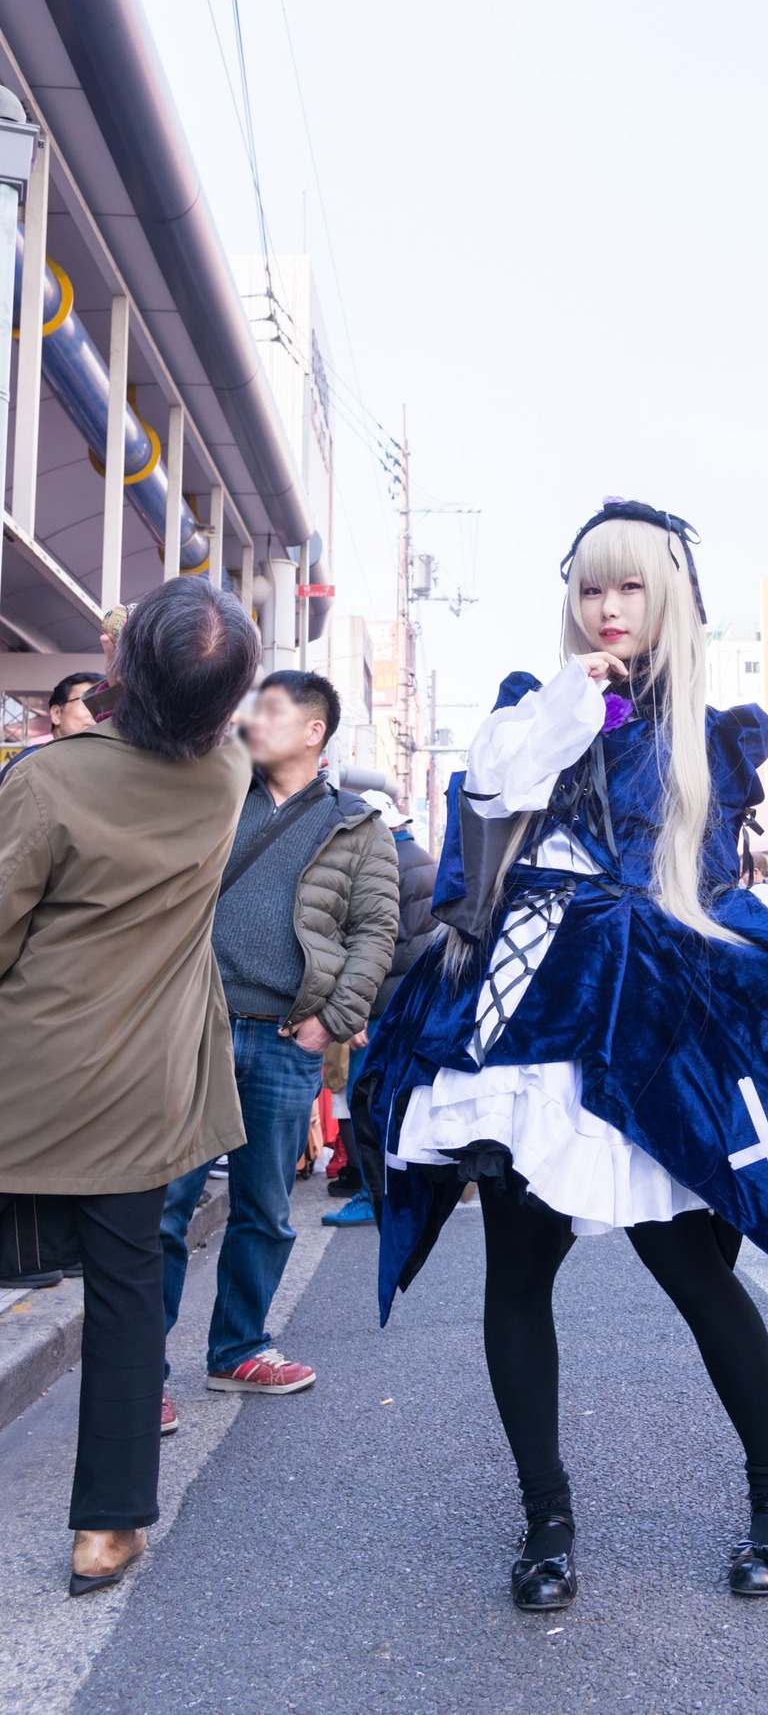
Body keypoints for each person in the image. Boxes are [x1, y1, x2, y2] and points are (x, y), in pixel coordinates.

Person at [355, 499, 768, 1613]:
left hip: (642, 1014)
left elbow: (698, 889)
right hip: (526, 1020)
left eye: (628, 588)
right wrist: (572, 707)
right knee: (517, 1272)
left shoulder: (705, 737)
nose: (606, 609)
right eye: (588, 590)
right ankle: (547, 1521)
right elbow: (487, 821)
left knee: (689, 1268)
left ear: (668, 599)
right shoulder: (532, 708)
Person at [0, 578, 259, 1594]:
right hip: (144, 1087)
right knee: (122, 1304)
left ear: (118, 672)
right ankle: (106, 1530)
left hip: (26, 1072)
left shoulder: (48, 779)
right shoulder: (228, 774)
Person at [159, 671, 398, 1420]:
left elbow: (374, 933)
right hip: (191, 1030)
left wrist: (332, 1019)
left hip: (285, 1037)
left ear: (313, 731)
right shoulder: (212, 794)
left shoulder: (358, 824)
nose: (253, 721)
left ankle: (237, 1352)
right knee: (165, 1205)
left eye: (271, 710)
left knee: (264, 1206)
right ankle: (140, 1376)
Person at [323, 791, 438, 1228]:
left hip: (378, 1004)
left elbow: (377, 944)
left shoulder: (385, 864)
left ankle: (374, 1198)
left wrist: (354, 1010)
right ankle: (407, 1197)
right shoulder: (422, 858)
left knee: (363, 1101)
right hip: (413, 1000)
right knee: (398, 1101)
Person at [0, 670, 103, 788]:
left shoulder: (108, 765)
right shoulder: (29, 765)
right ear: (57, 714)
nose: (99, 712)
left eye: (106, 704)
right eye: (88, 700)